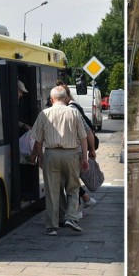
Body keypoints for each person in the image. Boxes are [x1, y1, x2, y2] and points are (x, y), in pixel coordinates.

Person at [30, 86, 89, 236]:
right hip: (71, 154)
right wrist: (85, 158)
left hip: (51, 154)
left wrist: (40, 157)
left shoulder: (44, 113)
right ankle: (71, 217)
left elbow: (37, 139)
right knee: (73, 188)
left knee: (52, 191)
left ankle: (52, 227)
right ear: (65, 98)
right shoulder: (74, 113)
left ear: (51, 99)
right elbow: (83, 137)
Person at [56, 80, 98, 216]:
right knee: (71, 179)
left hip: (76, 151)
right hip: (74, 152)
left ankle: (77, 210)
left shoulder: (72, 110)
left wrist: (90, 151)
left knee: (71, 181)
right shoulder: (73, 107)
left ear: (64, 97)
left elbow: (88, 133)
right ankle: (84, 201)